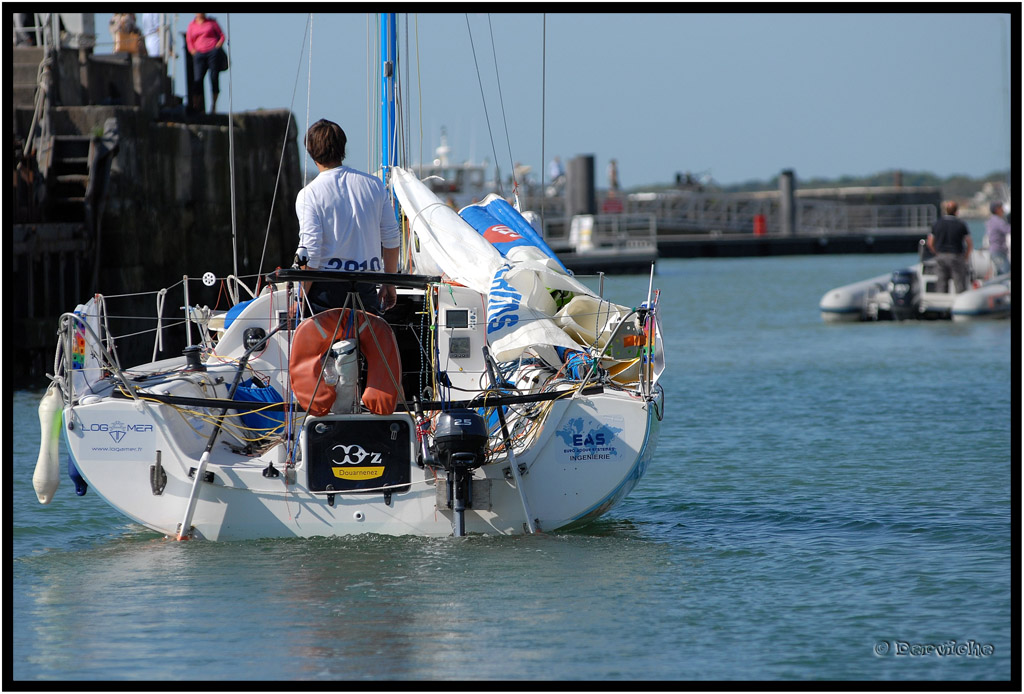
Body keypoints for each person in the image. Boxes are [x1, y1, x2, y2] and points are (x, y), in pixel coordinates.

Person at [295, 119, 401, 315]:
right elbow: (392, 238)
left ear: (310, 152)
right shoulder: (374, 185)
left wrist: (300, 298)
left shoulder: (309, 194)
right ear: (343, 148)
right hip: (365, 289)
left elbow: (311, 252)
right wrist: (389, 282)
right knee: (368, 343)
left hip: (325, 293)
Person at [926, 200, 973, 293]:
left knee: (941, 282)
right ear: (956, 211)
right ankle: (960, 302)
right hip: (956, 255)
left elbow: (930, 242)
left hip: (941, 255)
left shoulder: (937, 223)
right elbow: (969, 243)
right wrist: (966, 256)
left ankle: (941, 302)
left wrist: (936, 252)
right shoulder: (960, 224)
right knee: (959, 283)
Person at [186, 13, 225, 113]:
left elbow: (222, 36)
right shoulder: (192, 25)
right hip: (199, 54)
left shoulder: (212, 22)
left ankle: (213, 106)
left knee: (214, 77)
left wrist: (217, 47)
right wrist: (192, 51)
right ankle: (197, 106)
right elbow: (189, 40)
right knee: (198, 79)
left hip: (212, 52)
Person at [984, 201, 1011, 276]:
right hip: (998, 251)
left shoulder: (991, 220)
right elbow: (1008, 229)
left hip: (995, 251)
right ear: (997, 209)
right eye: (1001, 208)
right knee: (1006, 273)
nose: (1003, 210)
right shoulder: (998, 221)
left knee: (1001, 273)